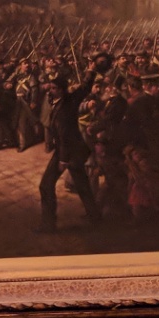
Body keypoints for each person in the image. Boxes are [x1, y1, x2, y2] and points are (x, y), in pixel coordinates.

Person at [38, 58, 103, 232]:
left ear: (61, 90)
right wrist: (90, 71)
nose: (50, 91)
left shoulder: (66, 106)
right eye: (50, 88)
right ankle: (95, 216)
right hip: (73, 150)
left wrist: (63, 160)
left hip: (67, 152)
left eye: (54, 88)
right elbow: (84, 87)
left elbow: (65, 136)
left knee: (46, 185)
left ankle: (48, 224)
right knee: (82, 184)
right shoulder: (70, 99)